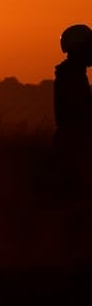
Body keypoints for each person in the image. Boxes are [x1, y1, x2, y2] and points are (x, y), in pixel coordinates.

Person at [53, 24, 92, 194]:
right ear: (79, 49)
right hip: (75, 145)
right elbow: (81, 115)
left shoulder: (71, 74)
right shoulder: (72, 77)